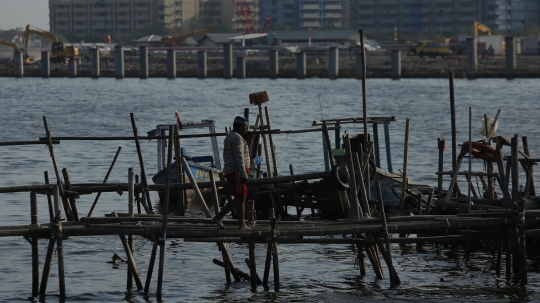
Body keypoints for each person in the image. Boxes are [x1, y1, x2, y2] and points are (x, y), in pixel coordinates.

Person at [213, 116, 251, 230]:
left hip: (234, 171)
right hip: (237, 172)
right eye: (245, 127)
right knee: (240, 198)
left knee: (241, 197)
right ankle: (219, 217)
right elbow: (238, 158)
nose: (246, 129)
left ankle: (242, 224)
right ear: (240, 126)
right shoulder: (237, 139)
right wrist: (243, 174)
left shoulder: (230, 136)